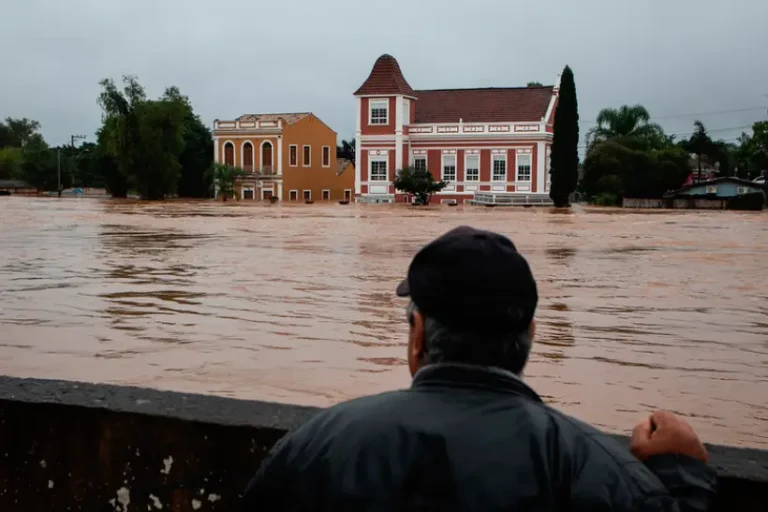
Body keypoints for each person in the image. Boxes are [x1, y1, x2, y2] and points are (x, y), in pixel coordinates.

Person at [242, 226, 717, 511]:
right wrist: (680, 475)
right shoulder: (595, 466)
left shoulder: (318, 445)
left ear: (418, 334)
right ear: (531, 334)